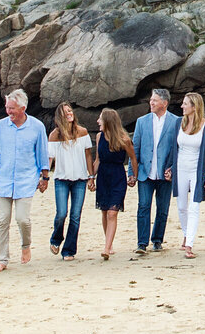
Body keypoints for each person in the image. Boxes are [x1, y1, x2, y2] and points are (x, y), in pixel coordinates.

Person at [0, 89, 51, 272]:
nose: (8, 112)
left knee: (22, 219)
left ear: (23, 108)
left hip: (26, 180)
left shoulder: (37, 127)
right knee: (2, 220)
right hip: (4, 180)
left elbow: (42, 155)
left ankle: (25, 245)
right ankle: (2, 259)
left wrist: (45, 178)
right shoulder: (0, 127)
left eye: (12, 108)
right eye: (7, 108)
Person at [131, 89, 179, 255]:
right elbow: (134, 148)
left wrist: (173, 168)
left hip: (165, 173)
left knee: (163, 208)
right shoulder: (141, 122)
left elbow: (178, 148)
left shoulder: (176, 122)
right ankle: (142, 243)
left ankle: (157, 240)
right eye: (151, 100)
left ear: (164, 103)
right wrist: (132, 172)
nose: (151, 103)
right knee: (143, 206)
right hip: (145, 172)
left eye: (155, 100)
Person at [47, 102, 96, 261]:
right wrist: (44, 176)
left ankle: (69, 250)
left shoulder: (82, 132)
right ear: (59, 116)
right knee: (62, 213)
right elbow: (50, 159)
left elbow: (88, 155)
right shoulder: (54, 135)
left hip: (80, 179)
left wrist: (91, 176)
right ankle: (56, 239)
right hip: (61, 179)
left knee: (75, 215)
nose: (69, 113)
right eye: (65, 112)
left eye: (70, 110)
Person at [173, 92, 205, 260]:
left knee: (194, 207)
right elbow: (174, 149)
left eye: (185, 104)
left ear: (194, 107)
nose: (182, 106)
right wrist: (170, 168)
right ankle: (185, 234)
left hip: (196, 170)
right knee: (181, 206)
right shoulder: (179, 123)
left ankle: (190, 244)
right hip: (180, 169)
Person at [93, 108, 137, 259]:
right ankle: (109, 243)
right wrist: (91, 177)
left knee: (112, 212)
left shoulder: (124, 139)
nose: (98, 122)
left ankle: (106, 248)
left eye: (100, 119)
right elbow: (97, 159)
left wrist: (133, 176)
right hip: (103, 176)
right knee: (105, 211)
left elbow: (133, 158)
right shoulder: (99, 137)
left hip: (118, 176)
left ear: (108, 121)